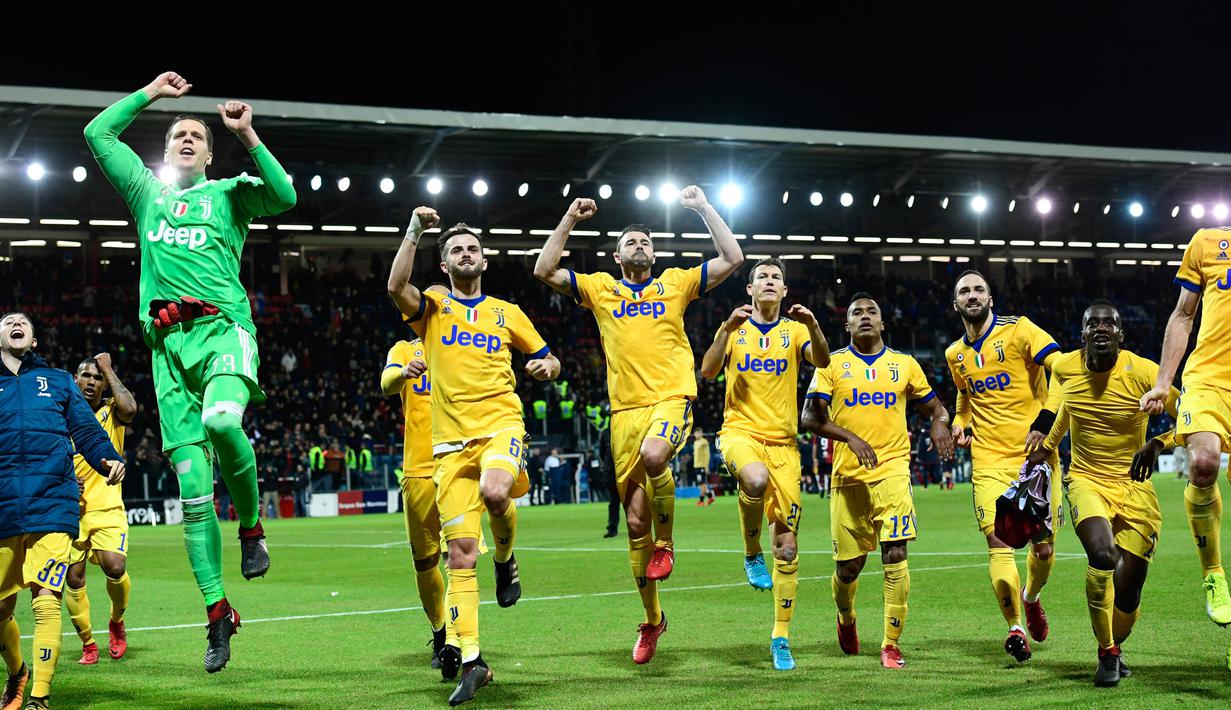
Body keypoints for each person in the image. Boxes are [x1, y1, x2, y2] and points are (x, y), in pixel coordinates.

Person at [85, 71, 296, 672]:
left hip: (222, 331)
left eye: (196, 135)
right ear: (167, 147)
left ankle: (252, 529)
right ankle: (216, 613)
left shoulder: (229, 193)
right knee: (194, 497)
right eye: (177, 132)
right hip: (167, 353)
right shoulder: (146, 194)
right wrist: (150, 94)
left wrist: (248, 135)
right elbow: (98, 132)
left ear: (208, 153)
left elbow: (286, 197)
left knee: (225, 424)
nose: (185, 138)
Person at [532, 189, 743, 664]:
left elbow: (733, 257)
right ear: (616, 254)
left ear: (655, 252)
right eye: (631, 241)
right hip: (623, 412)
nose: (639, 246)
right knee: (632, 524)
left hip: (670, 399)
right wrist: (568, 217)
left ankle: (667, 544)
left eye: (645, 241)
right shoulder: (601, 289)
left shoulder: (676, 282)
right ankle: (652, 622)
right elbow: (544, 270)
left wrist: (704, 208)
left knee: (655, 456)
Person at [388, 207, 560, 705]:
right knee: (460, 555)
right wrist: (415, 231)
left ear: (484, 260)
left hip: (501, 426)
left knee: (496, 489)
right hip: (448, 447)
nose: (467, 254)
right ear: (444, 265)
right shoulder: (435, 306)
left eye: (473, 249)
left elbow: (546, 355)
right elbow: (397, 285)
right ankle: (472, 660)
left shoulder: (507, 312)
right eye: (457, 250)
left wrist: (545, 367)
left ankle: (505, 559)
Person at [1028, 300, 1178, 686]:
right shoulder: (1064, 367)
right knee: (1101, 553)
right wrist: (1047, 448)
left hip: (1135, 486)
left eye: (1109, 323)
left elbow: (1191, 415)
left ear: (1120, 334)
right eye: (1092, 322)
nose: (1100, 327)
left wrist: (1159, 443)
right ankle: (1108, 653)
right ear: (1082, 334)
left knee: (1128, 593)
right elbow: (1066, 408)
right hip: (1086, 481)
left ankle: (1114, 644)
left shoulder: (1146, 372)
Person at [801, 294, 953, 669]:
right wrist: (850, 437)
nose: (865, 317)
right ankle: (846, 617)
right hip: (848, 479)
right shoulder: (831, 364)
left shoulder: (904, 365)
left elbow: (937, 408)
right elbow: (809, 418)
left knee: (895, 554)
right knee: (848, 569)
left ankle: (890, 643)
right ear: (847, 325)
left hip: (893, 471)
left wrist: (939, 425)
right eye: (857, 313)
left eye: (872, 312)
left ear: (883, 323)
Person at [699, 257, 830, 670]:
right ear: (750, 290)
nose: (770, 282)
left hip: (785, 447)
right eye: (762, 278)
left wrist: (814, 325)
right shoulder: (735, 330)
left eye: (776, 278)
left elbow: (823, 361)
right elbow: (707, 371)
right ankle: (752, 552)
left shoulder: (794, 332)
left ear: (784, 290)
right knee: (753, 479)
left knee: (788, 548)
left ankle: (780, 637)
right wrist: (723, 331)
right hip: (740, 433)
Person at [0, 313, 125, 710]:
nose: (15, 323)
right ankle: (18, 672)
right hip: (3, 507)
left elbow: (87, 429)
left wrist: (106, 457)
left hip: (53, 502)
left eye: (23, 322)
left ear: (33, 340)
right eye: (7, 321)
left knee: (45, 598)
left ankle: (40, 696)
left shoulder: (57, 381)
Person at [945, 270, 1062, 663]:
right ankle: (1014, 627)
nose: (972, 295)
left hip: (1036, 458)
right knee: (998, 541)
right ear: (955, 303)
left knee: (1043, 549)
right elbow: (963, 400)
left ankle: (1030, 597)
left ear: (991, 299)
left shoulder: (1020, 330)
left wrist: (1044, 423)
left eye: (979, 289)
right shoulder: (954, 355)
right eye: (965, 291)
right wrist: (959, 425)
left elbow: (1062, 371)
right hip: (989, 462)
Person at [1141, 227, 1231, 650]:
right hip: (1209, 378)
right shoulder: (1208, 241)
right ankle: (1212, 572)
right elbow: (1183, 314)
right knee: (1203, 463)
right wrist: (1163, 381)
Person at [63, 354, 136, 666]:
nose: (91, 382)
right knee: (74, 579)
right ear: (74, 379)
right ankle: (88, 644)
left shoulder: (111, 412)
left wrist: (108, 367)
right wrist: (64, 481)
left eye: (97, 378)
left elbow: (131, 408)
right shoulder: (59, 415)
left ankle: (116, 622)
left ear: (105, 384)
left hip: (107, 506)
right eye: (86, 376)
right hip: (70, 510)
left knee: (115, 568)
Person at [382, 331, 448, 669]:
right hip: (417, 471)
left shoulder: (463, 343)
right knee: (425, 563)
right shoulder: (405, 349)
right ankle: (440, 632)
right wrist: (404, 371)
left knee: (460, 558)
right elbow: (386, 382)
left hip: (457, 465)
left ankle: (462, 638)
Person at [692, 431, 715, 506]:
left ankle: (701, 501)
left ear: (701, 434)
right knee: (701, 483)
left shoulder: (704, 442)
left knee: (701, 484)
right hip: (696, 466)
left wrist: (706, 466)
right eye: (695, 433)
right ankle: (710, 497)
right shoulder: (695, 442)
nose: (697, 435)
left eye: (698, 433)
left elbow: (707, 455)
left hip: (701, 466)